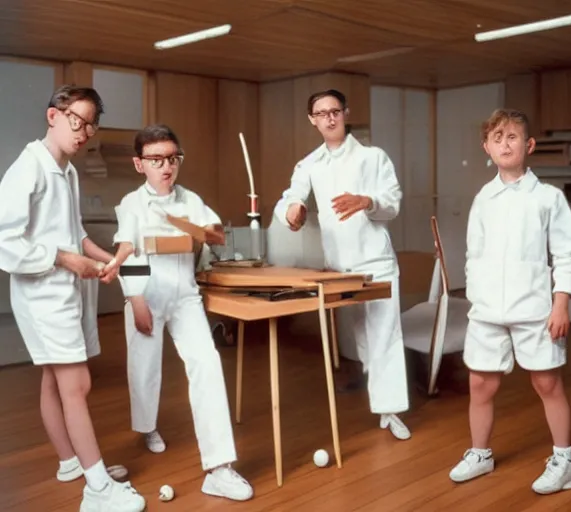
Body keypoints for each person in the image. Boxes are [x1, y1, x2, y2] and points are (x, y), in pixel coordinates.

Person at [0, 85, 146, 511]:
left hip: (64, 289)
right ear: (54, 116)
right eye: (77, 121)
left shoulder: (67, 170)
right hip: (43, 295)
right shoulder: (28, 169)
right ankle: (98, 490)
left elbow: (74, 233)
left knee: (54, 378)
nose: (83, 133)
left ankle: (72, 462)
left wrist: (109, 259)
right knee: (77, 383)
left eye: (91, 126)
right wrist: (67, 261)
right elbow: (4, 241)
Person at [102, 124, 253, 502]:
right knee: (145, 368)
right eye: (156, 160)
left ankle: (219, 467)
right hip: (147, 294)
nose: (166, 166)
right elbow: (127, 246)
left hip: (185, 296)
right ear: (140, 164)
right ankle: (148, 427)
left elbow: (215, 230)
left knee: (207, 364)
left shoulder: (190, 199)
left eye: (172, 158)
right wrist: (135, 300)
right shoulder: (132, 203)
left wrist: (210, 230)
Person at [449, 108, 571, 494]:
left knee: (546, 382)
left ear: (528, 145)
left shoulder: (547, 198)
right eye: (497, 138)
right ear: (486, 148)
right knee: (480, 384)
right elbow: (473, 256)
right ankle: (480, 454)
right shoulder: (484, 198)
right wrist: (476, 302)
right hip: (488, 311)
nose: (504, 144)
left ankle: (565, 461)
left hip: (534, 309)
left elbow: (567, 255)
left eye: (512, 137)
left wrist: (561, 303)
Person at [273, 89, 411, 441]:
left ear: (345, 113)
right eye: (321, 113)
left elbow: (393, 203)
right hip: (339, 268)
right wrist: (294, 212)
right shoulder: (309, 164)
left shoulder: (372, 157)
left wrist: (367, 200)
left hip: (375, 261)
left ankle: (390, 410)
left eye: (335, 111)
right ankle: (375, 391)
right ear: (312, 120)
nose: (329, 118)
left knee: (384, 336)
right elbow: (292, 197)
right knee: (361, 339)